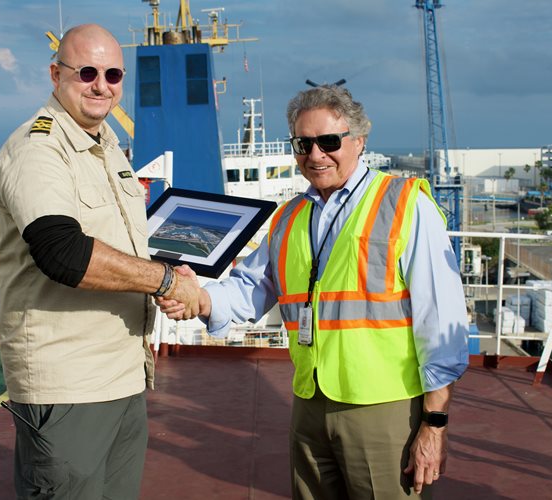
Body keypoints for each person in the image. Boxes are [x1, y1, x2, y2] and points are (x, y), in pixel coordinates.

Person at [159, 85, 469, 499]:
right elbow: (253, 287)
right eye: (303, 143)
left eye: (328, 141)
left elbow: (441, 322)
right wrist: (198, 297)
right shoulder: (289, 216)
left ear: (359, 141)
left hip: (383, 407)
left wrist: (434, 425)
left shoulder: (405, 205)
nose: (316, 154)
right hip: (310, 401)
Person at [0, 24, 199, 499]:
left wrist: (168, 271)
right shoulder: (38, 148)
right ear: (55, 74)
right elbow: (62, 252)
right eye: (86, 72)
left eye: (112, 74)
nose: (101, 85)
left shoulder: (106, 148)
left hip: (123, 371)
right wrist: (165, 282)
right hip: (68, 382)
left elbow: (118, 240)